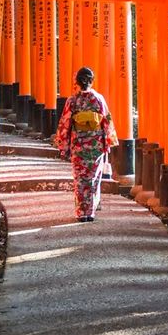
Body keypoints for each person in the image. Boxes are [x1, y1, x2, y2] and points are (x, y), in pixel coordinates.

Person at [56, 66, 118, 222]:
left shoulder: (72, 100)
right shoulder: (99, 99)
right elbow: (106, 121)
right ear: (92, 81)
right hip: (96, 144)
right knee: (93, 178)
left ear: (77, 82)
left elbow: (66, 123)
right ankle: (90, 212)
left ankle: (81, 212)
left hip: (79, 144)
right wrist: (108, 143)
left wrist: (64, 146)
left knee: (80, 178)